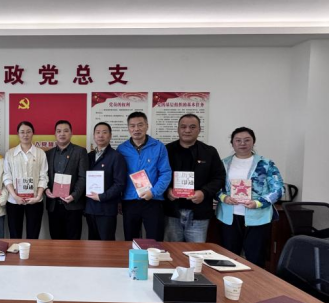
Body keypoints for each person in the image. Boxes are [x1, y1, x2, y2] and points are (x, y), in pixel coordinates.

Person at [216, 127, 284, 267]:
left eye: (247, 140)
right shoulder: (223, 163)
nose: (242, 143)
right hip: (229, 216)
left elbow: (278, 189)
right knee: (229, 257)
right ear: (232, 143)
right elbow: (214, 186)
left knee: (255, 258)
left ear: (253, 142)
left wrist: (258, 203)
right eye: (238, 140)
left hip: (258, 217)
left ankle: (255, 281)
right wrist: (224, 198)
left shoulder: (266, 164)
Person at [164, 114, 225, 242]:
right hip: (171, 212)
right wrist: (167, 191)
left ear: (199, 130)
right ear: (178, 129)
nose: (187, 130)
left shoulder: (209, 152)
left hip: (199, 213)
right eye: (183, 127)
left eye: (192, 127)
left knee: (196, 251)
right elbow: (157, 175)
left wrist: (204, 192)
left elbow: (219, 177)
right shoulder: (166, 150)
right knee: (171, 250)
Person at [118, 111, 172, 242]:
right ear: (128, 128)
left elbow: (165, 173)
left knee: (155, 241)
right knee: (131, 241)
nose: (136, 129)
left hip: (153, 201)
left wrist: (153, 192)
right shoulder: (121, 149)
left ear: (147, 126)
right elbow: (118, 177)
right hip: (130, 201)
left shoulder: (158, 147)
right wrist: (118, 199)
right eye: (132, 126)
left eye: (140, 125)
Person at [3, 121, 48, 240]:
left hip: (35, 200)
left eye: (28, 132)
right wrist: (15, 196)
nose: (25, 135)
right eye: (22, 132)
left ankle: (31, 253)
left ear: (33, 133)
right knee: (15, 235)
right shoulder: (10, 154)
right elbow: (7, 177)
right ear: (18, 134)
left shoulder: (40, 153)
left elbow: (43, 176)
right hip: (14, 201)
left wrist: (38, 197)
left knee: (33, 235)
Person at [45, 120, 88, 240]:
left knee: (73, 242)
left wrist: (74, 195)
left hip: (73, 205)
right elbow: (44, 176)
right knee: (55, 241)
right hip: (54, 205)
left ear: (71, 133)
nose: (62, 134)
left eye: (65, 131)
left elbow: (83, 177)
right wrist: (46, 189)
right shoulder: (48, 154)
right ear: (55, 134)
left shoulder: (80, 151)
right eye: (59, 131)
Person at [84, 122, 127, 241]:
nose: (100, 135)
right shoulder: (88, 156)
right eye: (97, 132)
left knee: (106, 244)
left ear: (110, 135)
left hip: (106, 209)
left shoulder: (116, 157)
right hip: (90, 208)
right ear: (94, 136)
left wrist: (102, 196)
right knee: (92, 243)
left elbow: (119, 184)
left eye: (104, 132)